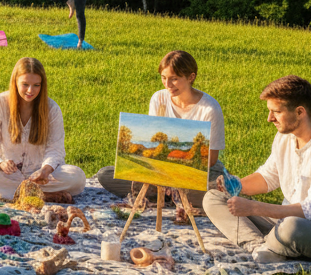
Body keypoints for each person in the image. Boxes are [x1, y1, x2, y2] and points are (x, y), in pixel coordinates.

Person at [203, 76, 311, 263]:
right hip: (285, 220)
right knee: (214, 198)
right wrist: (236, 185)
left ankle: (274, 244)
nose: (269, 118)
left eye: (276, 112)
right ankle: (259, 246)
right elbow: (268, 177)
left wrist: (255, 207)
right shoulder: (285, 137)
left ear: (300, 112)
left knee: (291, 228)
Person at [96, 50, 226, 208]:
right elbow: (152, 139)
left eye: (174, 79)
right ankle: (171, 195)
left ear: (191, 77)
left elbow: (211, 160)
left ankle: (168, 194)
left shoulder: (209, 109)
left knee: (216, 193)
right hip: (160, 170)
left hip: (198, 173)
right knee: (106, 175)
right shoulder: (159, 98)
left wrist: (175, 174)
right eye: (164, 78)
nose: (168, 85)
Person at [0, 57, 86, 201]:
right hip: (7, 175)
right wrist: (0, 163)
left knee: (78, 177)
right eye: (25, 84)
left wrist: (45, 170)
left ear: (42, 85)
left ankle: (17, 194)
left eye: (36, 85)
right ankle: (41, 196)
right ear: (15, 82)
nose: (30, 90)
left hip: (40, 177)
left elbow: (56, 149)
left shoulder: (52, 109)